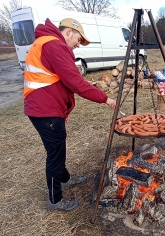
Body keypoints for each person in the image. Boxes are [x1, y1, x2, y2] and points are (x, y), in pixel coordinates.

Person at [23, 18, 116, 212]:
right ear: (68, 33)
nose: (77, 45)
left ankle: (64, 179)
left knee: (59, 145)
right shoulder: (54, 45)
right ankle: (55, 199)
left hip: (47, 107)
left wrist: (63, 109)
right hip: (44, 109)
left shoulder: (46, 42)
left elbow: (57, 80)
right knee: (54, 154)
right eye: (78, 40)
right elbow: (75, 82)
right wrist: (104, 99)